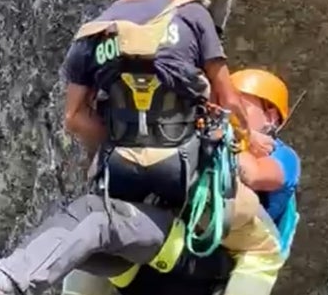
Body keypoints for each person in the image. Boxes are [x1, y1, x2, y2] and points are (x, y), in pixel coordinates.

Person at [0, 0, 280, 295]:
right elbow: (227, 98)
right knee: (265, 248)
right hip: (186, 180)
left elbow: (74, 117)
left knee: (94, 228)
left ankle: (17, 279)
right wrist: (248, 139)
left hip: (124, 176)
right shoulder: (191, 14)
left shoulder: (89, 36)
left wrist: (121, 144)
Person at [61, 69, 301, 295]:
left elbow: (256, 175)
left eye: (240, 102)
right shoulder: (202, 132)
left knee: (264, 254)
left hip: (209, 267)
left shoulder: (281, 155)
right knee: (101, 229)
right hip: (159, 259)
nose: (227, 107)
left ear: (271, 115)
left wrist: (232, 136)